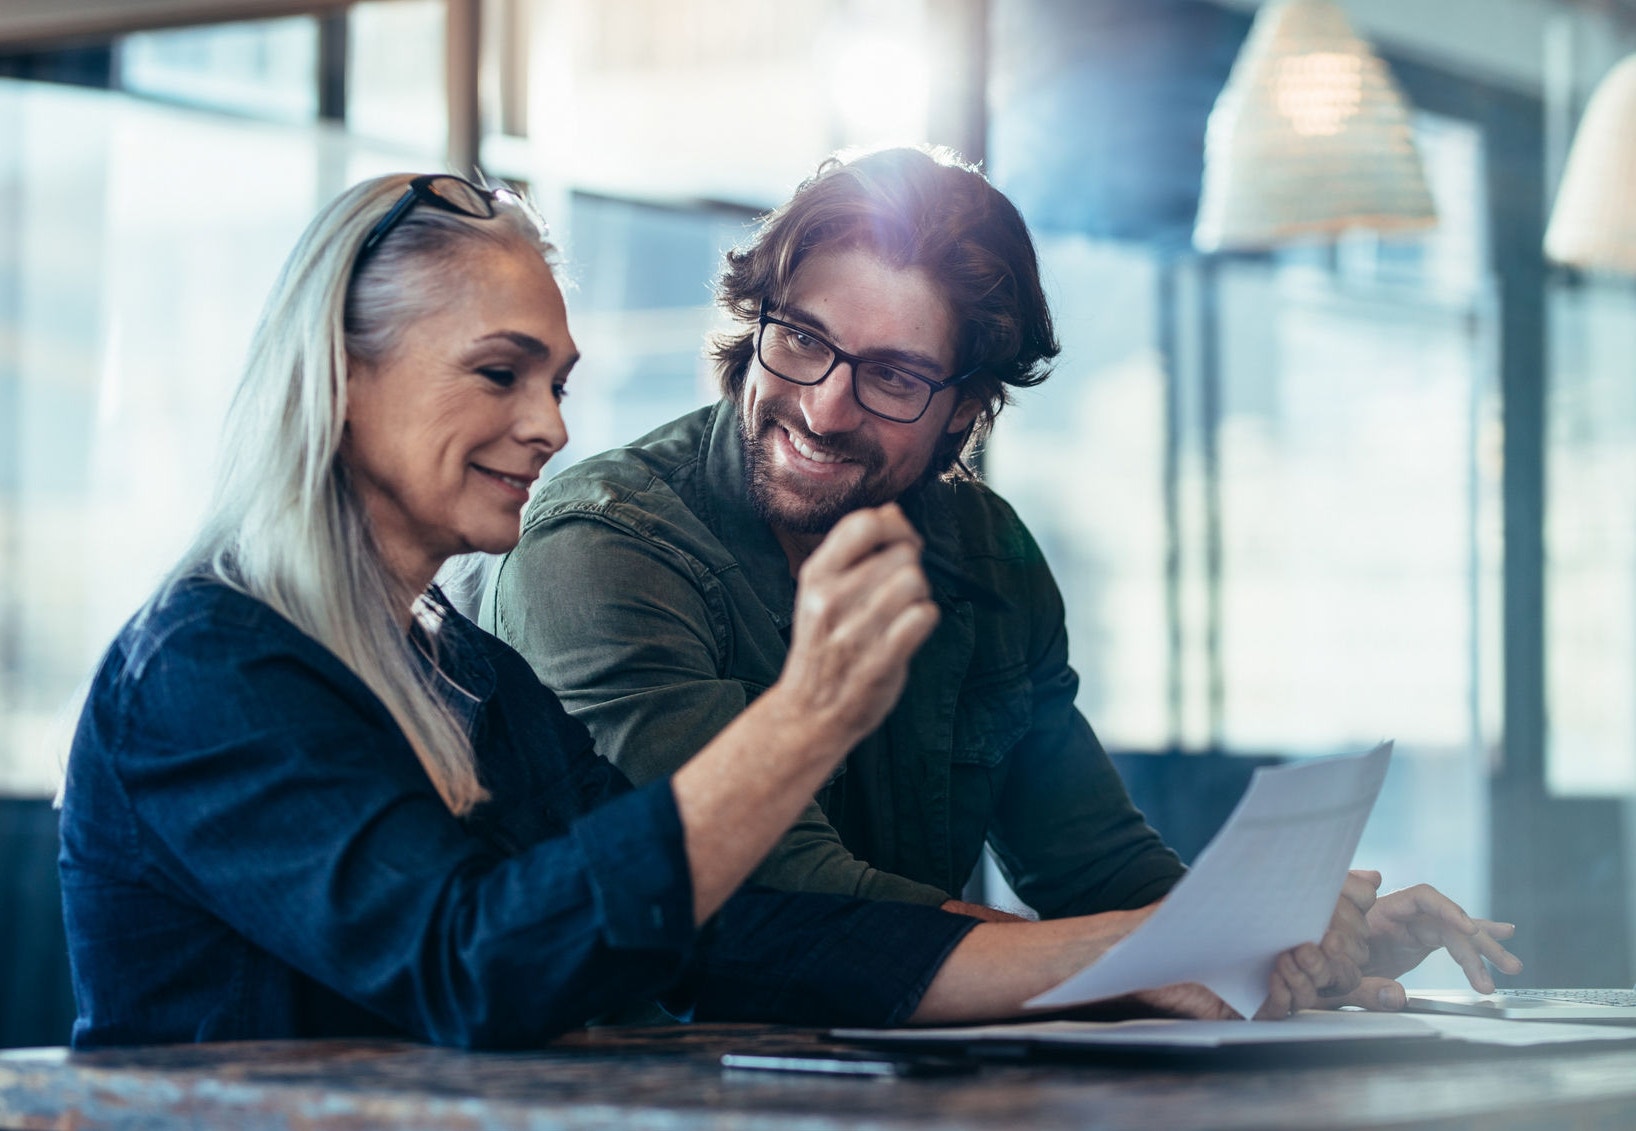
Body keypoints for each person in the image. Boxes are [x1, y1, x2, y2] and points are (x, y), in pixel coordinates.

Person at [57, 172, 1364, 1051]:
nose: (549, 425)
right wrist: (809, 716)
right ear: (339, 378)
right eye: (501, 373)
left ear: (965, 411)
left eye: (558, 382)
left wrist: (1180, 948)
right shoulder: (205, 669)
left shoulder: (464, 670)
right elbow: (472, 967)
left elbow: (725, 930)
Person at [484, 146, 1521, 1008]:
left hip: (895, 1089)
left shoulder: (985, 554)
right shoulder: (604, 547)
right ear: (756, 324)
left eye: (893, 375)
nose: (826, 407)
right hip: (636, 1091)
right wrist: (1163, 954)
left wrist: (1272, 950)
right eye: (801, 339)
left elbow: (1096, 866)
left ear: (967, 409)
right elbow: (785, 897)